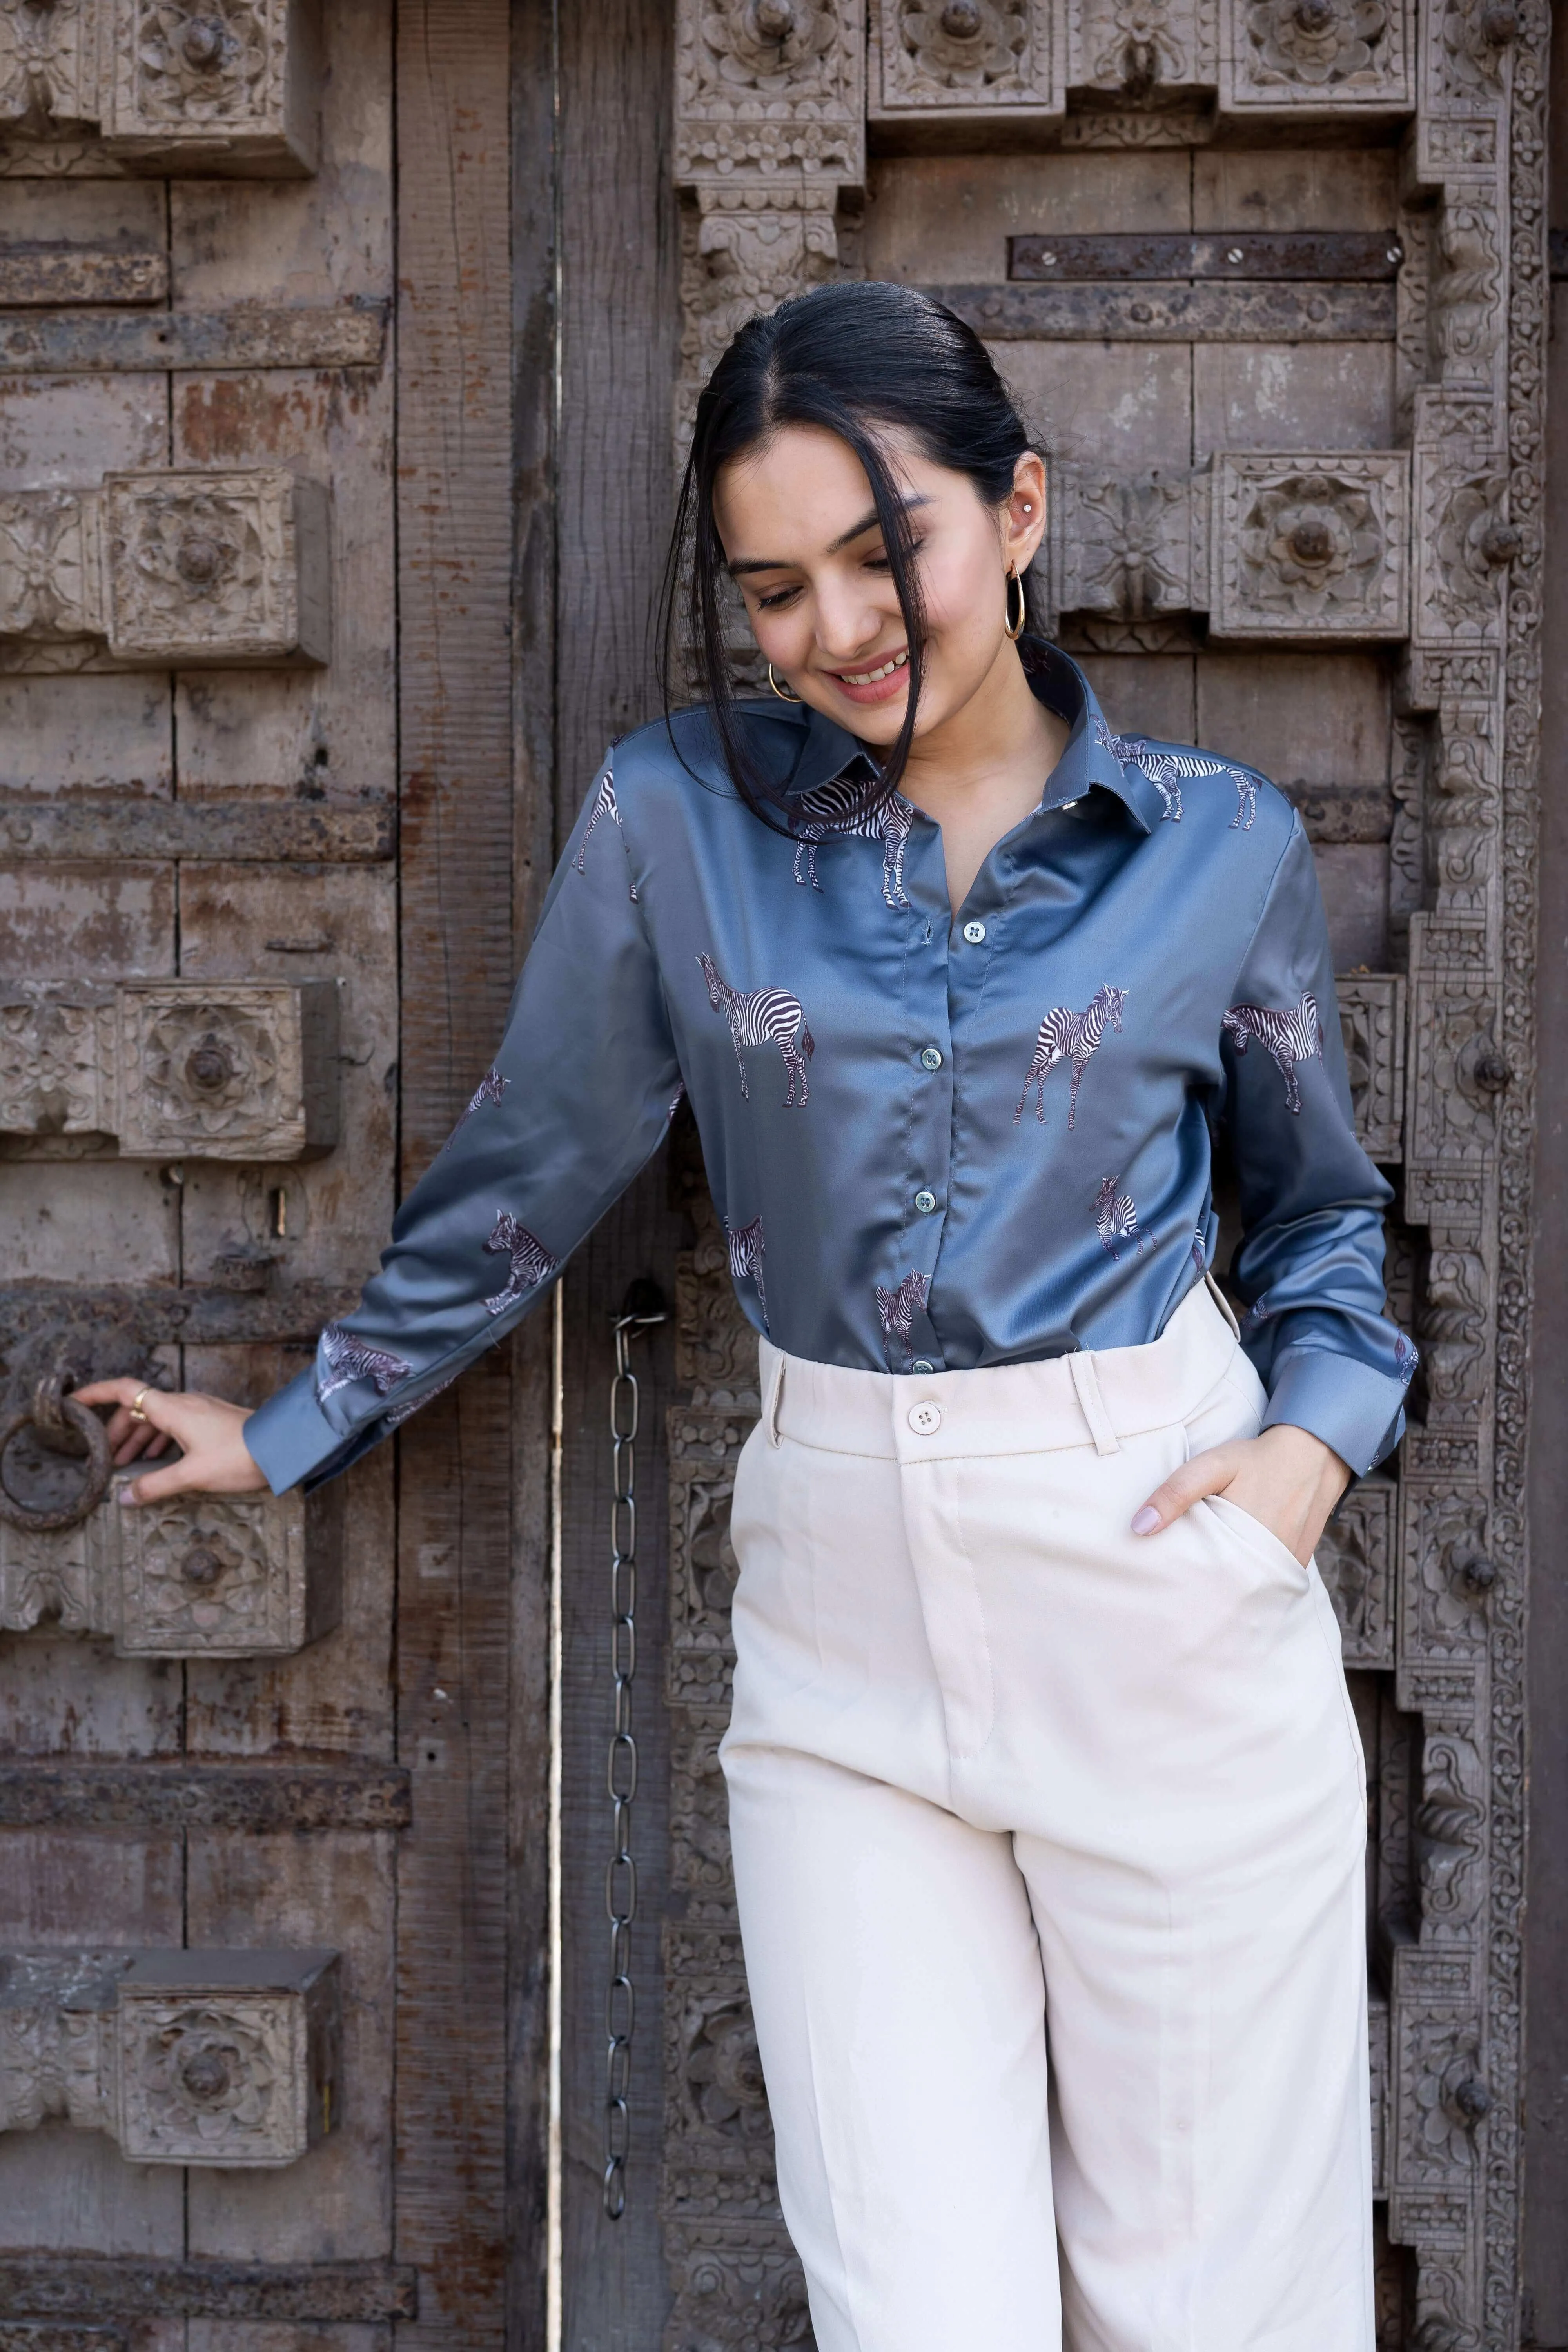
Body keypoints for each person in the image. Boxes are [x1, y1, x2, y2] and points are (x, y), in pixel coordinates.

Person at [81, 281, 1411, 2352]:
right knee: (913, 2310)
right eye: (777, 590)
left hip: (1162, 1566)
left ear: (1021, 508)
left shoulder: (1220, 850)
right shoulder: (676, 825)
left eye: (890, 556)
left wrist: (1305, 1459)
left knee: (1222, 2306)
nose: (840, 630)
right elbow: (534, 1169)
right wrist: (296, 1421)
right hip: (842, 1620)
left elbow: (1325, 1223)